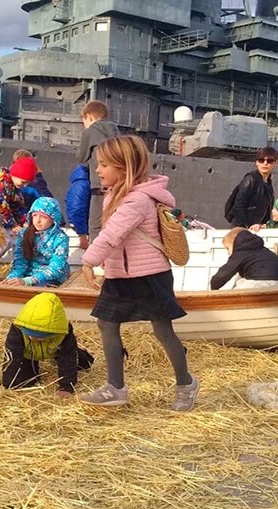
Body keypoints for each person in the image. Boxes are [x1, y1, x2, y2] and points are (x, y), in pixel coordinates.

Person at [79, 135, 198, 411]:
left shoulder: (137, 200)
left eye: (104, 165)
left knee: (163, 331)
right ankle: (115, 387)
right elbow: (120, 242)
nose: (98, 170)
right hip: (122, 274)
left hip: (150, 275)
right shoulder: (115, 196)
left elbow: (111, 235)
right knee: (106, 324)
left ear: (124, 167)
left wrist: (88, 262)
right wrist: (108, 266)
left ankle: (185, 383)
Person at [2, 292, 95, 397]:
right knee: (26, 382)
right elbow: (11, 358)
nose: (33, 338)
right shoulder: (17, 330)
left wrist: (66, 387)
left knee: (82, 363)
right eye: (29, 335)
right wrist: (8, 384)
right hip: (28, 354)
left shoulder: (64, 332)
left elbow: (68, 359)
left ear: (53, 332)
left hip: (56, 350)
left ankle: (82, 357)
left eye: (40, 336)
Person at [76, 100, 120, 241]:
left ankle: (95, 256)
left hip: (99, 185)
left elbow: (81, 157)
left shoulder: (90, 131)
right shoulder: (117, 131)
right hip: (118, 185)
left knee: (95, 224)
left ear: (88, 117)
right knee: (114, 222)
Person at [3, 197, 69, 287]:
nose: (38, 221)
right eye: (34, 215)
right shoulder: (24, 233)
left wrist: (29, 280)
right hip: (28, 274)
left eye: (43, 217)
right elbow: (20, 261)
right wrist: (11, 278)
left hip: (50, 278)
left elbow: (56, 269)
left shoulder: (60, 238)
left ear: (54, 219)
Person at [210, 228, 278, 290]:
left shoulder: (240, 252)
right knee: (240, 279)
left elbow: (224, 274)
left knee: (234, 296)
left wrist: (214, 287)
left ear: (233, 244)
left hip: (262, 282)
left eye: (227, 248)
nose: (228, 253)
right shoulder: (260, 250)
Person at [0, 157, 36, 236]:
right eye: (23, 182)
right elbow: (1, 209)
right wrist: (13, 225)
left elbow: (18, 206)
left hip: (0, 221)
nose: (25, 185)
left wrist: (25, 222)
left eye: (27, 183)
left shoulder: (14, 187)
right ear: (15, 174)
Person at [225, 146, 278, 230]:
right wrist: (244, 226)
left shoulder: (268, 183)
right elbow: (239, 205)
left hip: (255, 228)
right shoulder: (250, 180)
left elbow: (267, 209)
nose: (265, 163)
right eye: (261, 160)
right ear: (257, 163)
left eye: (270, 161)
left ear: (275, 163)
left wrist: (263, 225)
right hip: (242, 227)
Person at [65, 164, 91, 249]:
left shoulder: (81, 182)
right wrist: (82, 235)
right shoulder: (82, 184)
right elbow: (76, 209)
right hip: (87, 232)